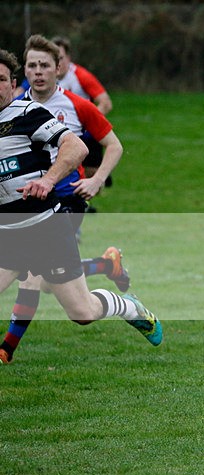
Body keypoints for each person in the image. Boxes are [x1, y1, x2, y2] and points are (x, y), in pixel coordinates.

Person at [0, 47, 161, 365]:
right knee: (35, 283)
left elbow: (76, 146)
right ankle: (8, 349)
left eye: (1, 79)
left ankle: (127, 306)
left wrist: (49, 181)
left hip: (46, 228)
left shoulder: (27, 114)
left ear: (10, 83)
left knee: (82, 312)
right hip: (8, 234)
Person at [52, 35, 113, 187]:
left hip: (83, 131)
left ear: (69, 57)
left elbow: (105, 103)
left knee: (91, 173)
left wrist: (88, 125)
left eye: (61, 57)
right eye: (53, 58)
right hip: (55, 131)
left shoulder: (81, 76)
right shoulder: (42, 77)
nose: (58, 62)